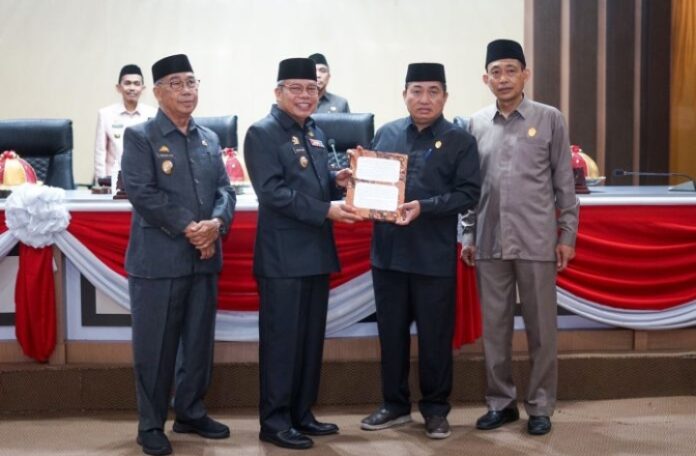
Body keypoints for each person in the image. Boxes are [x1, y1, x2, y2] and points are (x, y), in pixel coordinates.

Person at [461, 39, 579, 436]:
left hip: (536, 240)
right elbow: (471, 189)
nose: (504, 78)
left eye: (511, 70)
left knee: (541, 329)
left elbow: (564, 184)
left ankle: (541, 406)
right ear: (486, 79)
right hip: (489, 241)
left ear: (525, 74)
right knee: (495, 330)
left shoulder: (549, 119)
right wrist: (467, 234)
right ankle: (501, 403)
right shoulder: (475, 124)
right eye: (495, 72)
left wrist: (567, 234)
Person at [244, 57, 363, 450]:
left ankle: (301, 413)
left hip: (315, 253)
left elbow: (310, 182)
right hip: (282, 258)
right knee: (282, 343)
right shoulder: (262, 133)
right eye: (295, 88)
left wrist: (335, 181)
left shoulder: (314, 131)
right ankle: (275, 421)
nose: (305, 95)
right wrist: (326, 209)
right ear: (278, 92)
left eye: (311, 88)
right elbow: (273, 192)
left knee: (310, 341)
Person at [121, 54, 236, 456]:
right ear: (157, 92)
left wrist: (216, 224)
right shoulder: (140, 137)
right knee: (155, 348)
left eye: (191, 82)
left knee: (198, 343)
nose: (186, 91)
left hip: (203, 258)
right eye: (176, 84)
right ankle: (150, 425)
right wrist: (192, 228)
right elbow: (142, 193)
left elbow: (225, 191)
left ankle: (190, 411)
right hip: (159, 261)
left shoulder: (209, 138)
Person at [360, 63, 481, 439]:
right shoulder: (387, 133)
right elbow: (371, 189)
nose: (424, 99)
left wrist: (424, 207)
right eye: (416, 90)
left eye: (433, 91)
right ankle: (394, 404)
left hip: (433, 257)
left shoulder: (460, 140)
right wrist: (355, 182)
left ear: (445, 97)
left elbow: (469, 194)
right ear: (404, 94)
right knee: (391, 335)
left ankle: (435, 409)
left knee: (434, 339)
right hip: (388, 255)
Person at [94, 64, 156, 183]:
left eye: (136, 84)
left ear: (143, 88)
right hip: (113, 181)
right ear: (118, 88)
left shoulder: (153, 114)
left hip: (144, 181)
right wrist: (101, 183)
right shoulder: (105, 114)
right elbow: (100, 153)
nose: (132, 88)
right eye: (127, 83)